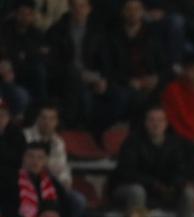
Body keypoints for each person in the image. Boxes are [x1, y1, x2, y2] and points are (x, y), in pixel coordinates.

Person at [111, 106, 194, 217]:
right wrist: (154, 184)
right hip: (132, 187)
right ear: (145, 123)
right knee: (137, 191)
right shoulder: (132, 142)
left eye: (160, 120)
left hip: (166, 189)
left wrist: (176, 184)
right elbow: (127, 172)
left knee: (189, 194)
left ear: (166, 123)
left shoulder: (176, 143)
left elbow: (182, 169)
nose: (156, 124)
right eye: (152, 120)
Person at [102, 0, 168, 129]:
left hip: (148, 81)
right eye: (129, 9)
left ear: (142, 12)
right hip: (123, 82)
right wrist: (129, 81)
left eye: (137, 9)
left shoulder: (152, 35)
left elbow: (165, 65)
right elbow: (108, 68)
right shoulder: (112, 37)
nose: (133, 13)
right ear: (123, 12)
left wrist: (156, 78)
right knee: (131, 96)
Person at [44, 0, 107, 129]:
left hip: (92, 76)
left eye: (82, 6)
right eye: (75, 6)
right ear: (69, 8)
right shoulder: (58, 31)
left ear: (89, 8)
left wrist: (103, 79)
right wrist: (79, 75)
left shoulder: (98, 32)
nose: (79, 10)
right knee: (83, 95)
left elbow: (106, 61)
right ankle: (73, 129)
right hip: (65, 78)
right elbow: (54, 63)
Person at [2, 141, 80, 217]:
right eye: (30, 156)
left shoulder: (54, 184)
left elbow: (64, 212)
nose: (35, 161)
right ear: (23, 158)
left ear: (46, 160)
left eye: (40, 157)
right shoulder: (10, 182)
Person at [0, 0, 47, 110]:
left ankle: (41, 110)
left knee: (39, 71)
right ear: (15, 14)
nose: (25, 17)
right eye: (22, 13)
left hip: (27, 73)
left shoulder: (36, 33)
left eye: (28, 14)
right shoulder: (4, 30)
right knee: (21, 96)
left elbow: (40, 55)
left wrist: (23, 56)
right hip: (7, 76)